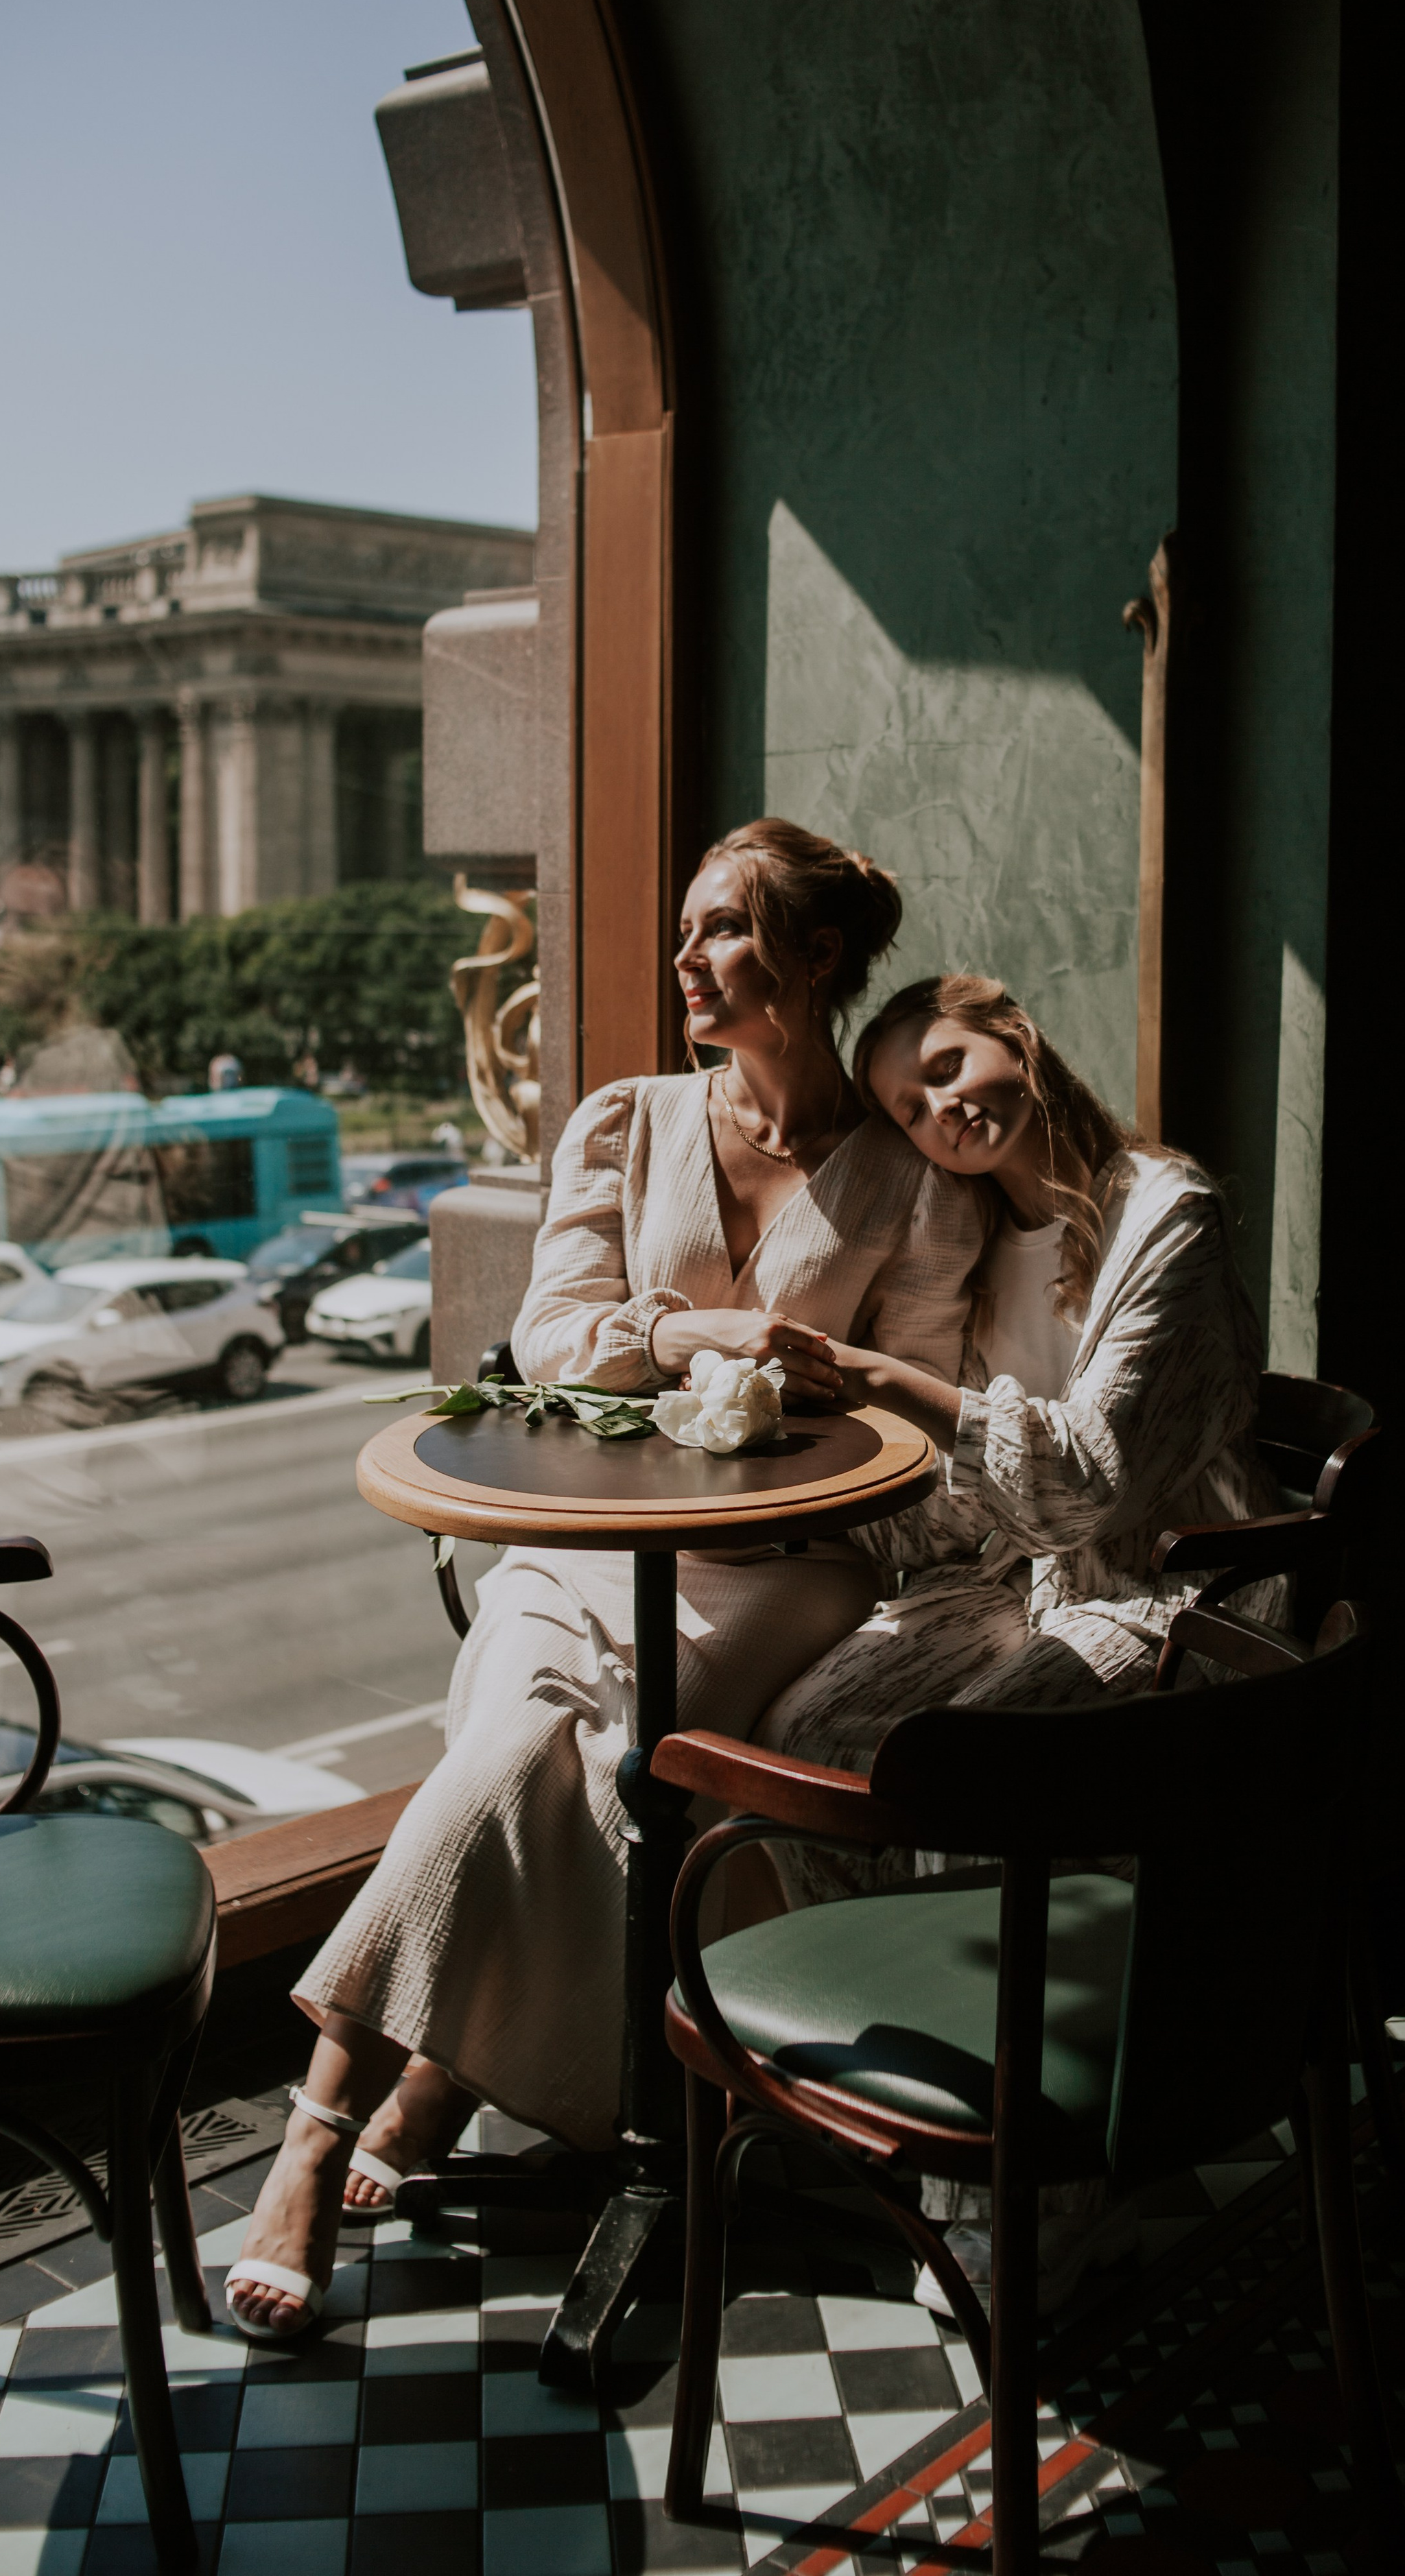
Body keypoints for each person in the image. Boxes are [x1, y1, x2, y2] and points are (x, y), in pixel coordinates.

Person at [224, 826, 984, 2338]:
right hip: (582, 1552)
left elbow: (917, 1415)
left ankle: (354, 2113)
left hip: (787, 1570)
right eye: (686, 928)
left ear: (814, 960)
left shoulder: (914, 1178)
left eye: (720, 932)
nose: (686, 958)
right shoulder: (626, 1123)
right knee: (527, 1743)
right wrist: (697, 1339)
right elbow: (555, 1343)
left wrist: (817, 1381)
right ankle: (388, 2091)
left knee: (618, 1756)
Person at [753, 973, 1279, 2317]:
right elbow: (981, 1497)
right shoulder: (981, 1235)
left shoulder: (1167, 1210)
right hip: (1031, 1579)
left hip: (1175, 1603)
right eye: (902, 1106)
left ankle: (1037, 2182)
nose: (935, 1112)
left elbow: (1096, 1480)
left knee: (972, 1764)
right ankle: (925, 2095)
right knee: (807, 1733)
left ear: (1015, 1037)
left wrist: (900, 1386)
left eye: (943, 1066)